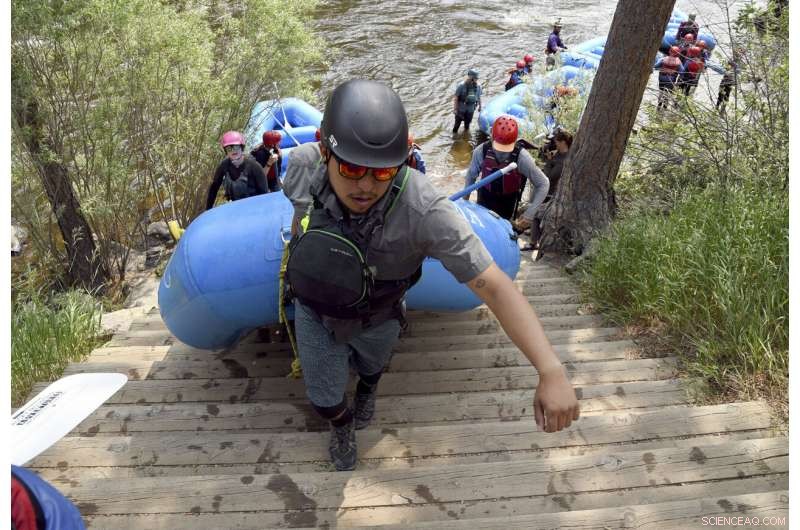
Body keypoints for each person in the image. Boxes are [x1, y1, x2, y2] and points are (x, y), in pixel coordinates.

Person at [282, 80, 579, 471]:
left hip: (378, 312)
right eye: (353, 168)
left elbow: (491, 283)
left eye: (383, 172)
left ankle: (368, 390)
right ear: (326, 152)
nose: (367, 185)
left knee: (372, 367)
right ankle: (342, 424)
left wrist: (551, 370)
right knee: (324, 398)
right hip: (316, 307)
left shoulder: (422, 208)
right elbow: (297, 214)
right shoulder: (306, 166)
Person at [464, 114, 549, 223]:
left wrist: (529, 214)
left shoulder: (522, 157)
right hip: (484, 198)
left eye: (506, 148)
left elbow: (543, 183)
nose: (502, 152)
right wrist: (465, 200)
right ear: (492, 136)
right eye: (499, 147)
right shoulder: (481, 151)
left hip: (507, 203)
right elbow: (471, 176)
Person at [528, 129, 573, 251]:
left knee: (538, 214)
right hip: (546, 189)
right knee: (535, 212)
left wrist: (548, 162)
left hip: (551, 192)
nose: (555, 144)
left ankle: (533, 243)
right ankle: (534, 237)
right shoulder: (558, 154)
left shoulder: (564, 160)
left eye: (557, 142)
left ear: (563, 142)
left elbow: (550, 176)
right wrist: (547, 157)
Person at [205, 130, 267, 210]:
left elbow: (264, 191)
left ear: (242, 147)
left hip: (255, 206)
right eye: (229, 148)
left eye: (236, 147)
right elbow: (214, 187)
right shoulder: (224, 165)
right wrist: (208, 209)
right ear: (225, 151)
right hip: (236, 206)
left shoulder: (254, 166)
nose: (233, 151)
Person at [654, 46, 682, 110]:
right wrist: (679, 80)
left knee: (661, 91)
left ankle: (659, 106)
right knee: (667, 93)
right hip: (671, 80)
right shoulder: (679, 62)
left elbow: (656, 66)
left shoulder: (663, 59)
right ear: (678, 53)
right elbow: (682, 71)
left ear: (669, 51)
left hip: (662, 78)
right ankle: (665, 107)